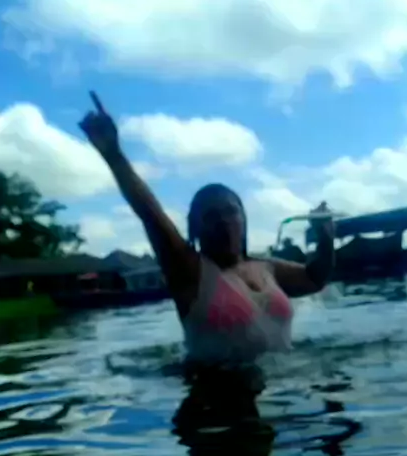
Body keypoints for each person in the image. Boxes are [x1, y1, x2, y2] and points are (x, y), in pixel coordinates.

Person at [79, 91, 334, 370]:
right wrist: (114, 156)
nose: (223, 221)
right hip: (212, 390)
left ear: (244, 219)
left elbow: (315, 278)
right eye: (211, 216)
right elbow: (150, 214)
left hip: (279, 389)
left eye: (231, 212)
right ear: (195, 229)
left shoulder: (267, 268)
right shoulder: (190, 272)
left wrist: (325, 238)